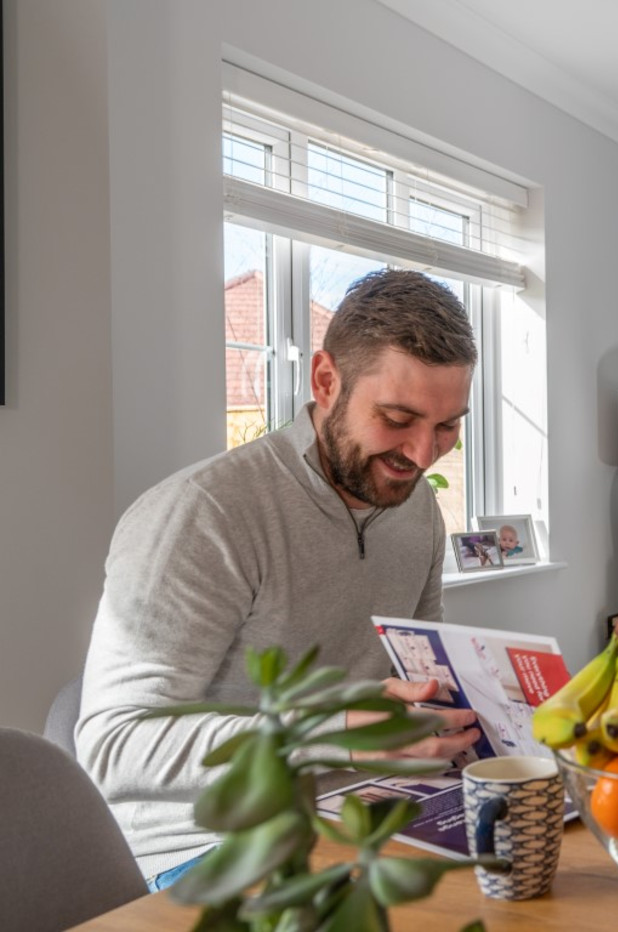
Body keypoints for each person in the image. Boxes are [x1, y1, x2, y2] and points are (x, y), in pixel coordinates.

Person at [76, 269, 487, 889]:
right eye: (398, 418)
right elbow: (113, 746)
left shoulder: (416, 507)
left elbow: (418, 676)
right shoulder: (204, 514)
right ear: (326, 381)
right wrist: (334, 734)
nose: (424, 455)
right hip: (217, 844)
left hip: (375, 813)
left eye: (448, 425)